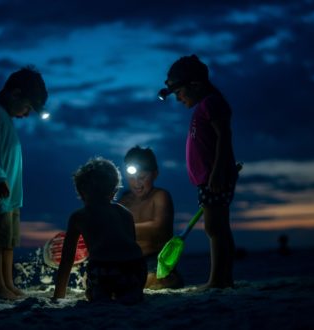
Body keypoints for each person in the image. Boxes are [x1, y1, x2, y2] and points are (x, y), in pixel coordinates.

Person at [158, 55, 238, 289]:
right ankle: (222, 279)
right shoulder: (203, 107)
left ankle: (219, 280)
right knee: (216, 227)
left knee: (216, 227)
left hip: (215, 178)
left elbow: (224, 136)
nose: (178, 97)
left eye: (179, 92)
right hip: (209, 179)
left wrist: (217, 172)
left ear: (194, 85)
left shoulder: (211, 103)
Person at [0, 66, 48, 300]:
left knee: (8, 240)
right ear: (15, 94)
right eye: (26, 107)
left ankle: (8, 283)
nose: (25, 114)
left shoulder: (4, 115)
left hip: (11, 194)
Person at [53, 157, 147, 304]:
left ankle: (100, 293)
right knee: (129, 291)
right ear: (114, 190)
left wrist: (58, 295)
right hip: (136, 269)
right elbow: (131, 245)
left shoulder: (79, 216)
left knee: (94, 292)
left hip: (105, 270)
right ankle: (131, 292)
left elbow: (67, 259)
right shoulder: (125, 213)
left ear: (82, 191)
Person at [119, 146, 183, 289]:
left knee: (158, 281)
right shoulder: (123, 202)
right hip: (128, 261)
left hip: (155, 260)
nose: (137, 184)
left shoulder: (160, 196)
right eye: (132, 178)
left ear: (155, 174)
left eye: (142, 178)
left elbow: (159, 227)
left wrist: (119, 228)